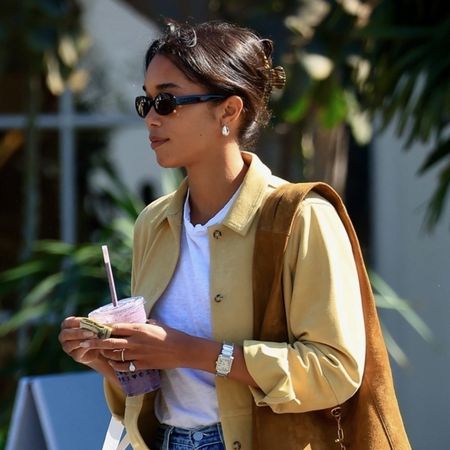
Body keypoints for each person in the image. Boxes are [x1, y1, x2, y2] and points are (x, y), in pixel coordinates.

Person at [59, 20, 367, 450]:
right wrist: (108, 357)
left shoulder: (302, 217)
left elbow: (335, 372)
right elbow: (157, 387)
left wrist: (191, 352)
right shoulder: (155, 223)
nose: (150, 118)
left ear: (229, 110)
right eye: (145, 102)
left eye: (166, 101)